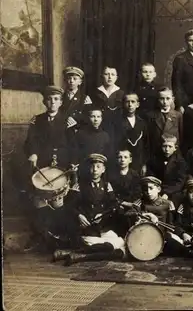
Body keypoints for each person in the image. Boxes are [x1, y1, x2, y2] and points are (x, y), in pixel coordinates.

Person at [23, 86, 73, 251]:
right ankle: (40, 235)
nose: (53, 102)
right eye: (50, 99)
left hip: (62, 164)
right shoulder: (37, 120)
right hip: (42, 165)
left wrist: (73, 162)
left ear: (61, 102)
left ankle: (58, 236)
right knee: (39, 200)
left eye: (56, 99)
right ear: (45, 101)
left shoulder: (68, 120)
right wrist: (33, 153)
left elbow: (75, 144)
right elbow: (30, 142)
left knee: (59, 201)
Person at [53, 154, 126, 266]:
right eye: (92, 166)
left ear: (103, 169)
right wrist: (79, 216)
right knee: (111, 247)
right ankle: (81, 255)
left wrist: (103, 214)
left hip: (102, 229)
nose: (95, 170)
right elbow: (69, 206)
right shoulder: (80, 185)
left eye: (98, 166)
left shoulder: (106, 185)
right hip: (86, 229)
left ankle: (73, 253)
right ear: (88, 168)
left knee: (120, 242)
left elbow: (113, 205)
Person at [69, 106, 113, 181]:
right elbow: (75, 151)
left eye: (98, 117)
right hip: (84, 169)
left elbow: (108, 154)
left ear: (101, 119)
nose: (96, 119)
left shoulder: (105, 135)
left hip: (99, 171)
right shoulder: (80, 134)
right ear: (88, 118)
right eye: (93, 116)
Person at [111, 92, 149, 175]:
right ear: (123, 104)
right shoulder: (117, 122)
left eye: (133, 102)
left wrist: (144, 164)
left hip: (138, 163)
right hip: (122, 163)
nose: (130, 105)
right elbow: (113, 145)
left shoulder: (142, 122)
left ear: (138, 104)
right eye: (127, 102)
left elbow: (146, 145)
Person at [107, 149, 142, 235]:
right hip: (117, 203)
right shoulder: (111, 175)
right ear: (116, 159)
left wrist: (132, 204)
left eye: (125, 157)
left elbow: (137, 193)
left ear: (130, 160)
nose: (122, 160)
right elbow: (110, 194)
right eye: (120, 157)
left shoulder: (135, 175)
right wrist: (122, 203)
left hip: (132, 204)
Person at [146, 135, 187, 207]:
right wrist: (158, 191)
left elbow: (180, 182)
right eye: (164, 146)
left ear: (175, 148)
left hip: (173, 191)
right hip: (157, 189)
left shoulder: (180, 162)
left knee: (173, 203)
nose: (167, 149)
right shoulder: (154, 160)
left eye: (170, 146)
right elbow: (151, 177)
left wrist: (167, 193)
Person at [147, 87, 183, 161]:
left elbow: (181, 135)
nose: (165, 102)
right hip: (156, 154)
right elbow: (148, 138)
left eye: (168, 98)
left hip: (172, 153)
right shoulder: (151, 116)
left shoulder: (178, 115)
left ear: (172, 99)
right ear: (158, 99)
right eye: (162, 98)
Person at [92, 66, 125, 133]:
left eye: (113, 74)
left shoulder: (122, 94)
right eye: (107, 74)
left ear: (116, 77)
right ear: (102, 76)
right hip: (99, 127)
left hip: (116, 128)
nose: (110, 77)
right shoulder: (95, 93)